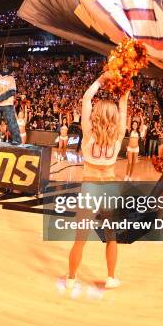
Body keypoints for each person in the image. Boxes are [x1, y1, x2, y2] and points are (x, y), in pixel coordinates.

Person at [67, 71, 129, 290]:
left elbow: (86, 98)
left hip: (90, 187)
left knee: (80, 239)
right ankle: (111, 277)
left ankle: (71, 279)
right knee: (111, 237)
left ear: (96, 114)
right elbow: (123, 105)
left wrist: (102, 79)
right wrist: (125, 86)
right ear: (114, 117)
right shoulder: (119, 133)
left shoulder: (88, 132)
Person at [0, 67, 21, 145]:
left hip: (7, 104)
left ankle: (17, 139)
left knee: (11, 122)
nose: (5, 70)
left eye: (6, 69)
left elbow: (12, 91)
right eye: (3, 68)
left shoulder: (11, 78)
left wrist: (1, 98)